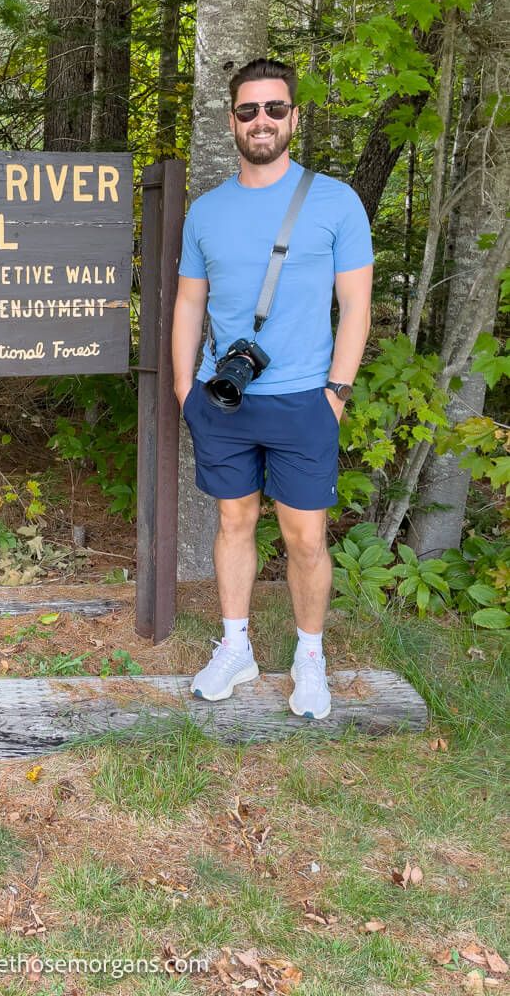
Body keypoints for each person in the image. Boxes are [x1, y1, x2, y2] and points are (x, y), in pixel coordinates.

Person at [173, 57, 373, 720]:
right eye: (249, 110)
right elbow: (188, 304)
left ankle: (309, 658)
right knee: (234, 521)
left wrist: (335, 394)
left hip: (303, 400)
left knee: (305, 536)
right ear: (232, 120)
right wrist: (184, 390)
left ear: (294, 117)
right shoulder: (206, 213)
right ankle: (236, 646)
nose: (262, 121)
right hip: (223, 401)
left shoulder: (336, 202)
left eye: (274, 109)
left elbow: (357, 306)